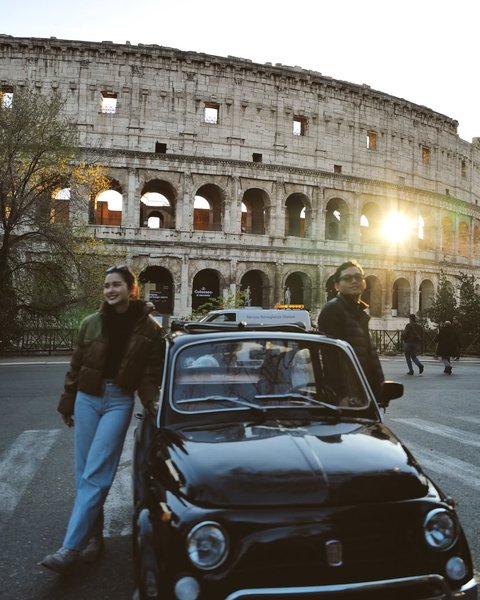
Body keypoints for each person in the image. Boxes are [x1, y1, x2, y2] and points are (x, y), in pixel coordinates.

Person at [39, 265, 165, 574]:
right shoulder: (90, 324)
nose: (110, 290)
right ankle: (94, 538)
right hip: (87, 399)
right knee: (84, 472)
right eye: (106, 285)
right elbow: (76, 368)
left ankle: (70, 548)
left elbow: (150, 376)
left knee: (98, 473)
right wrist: (67, 403)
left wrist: (153, 403)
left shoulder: (151, 329)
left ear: (131, 289)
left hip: (119, 401)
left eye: (116, 285)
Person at [317, 260, 384, 400]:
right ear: (337, 285)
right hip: (348, 397)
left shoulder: (359, 312)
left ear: (364, 283)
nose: (354, 281)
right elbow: (331, 358)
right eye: (347, 278)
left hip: (365, 393)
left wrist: (378, 390)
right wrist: (342, 397)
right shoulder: (333, 309)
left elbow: (368, 358)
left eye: (358, 277)